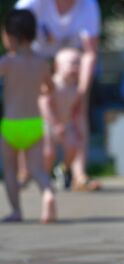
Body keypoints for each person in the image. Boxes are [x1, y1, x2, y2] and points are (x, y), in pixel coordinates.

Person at [15, 0, 101, 192]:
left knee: (79, 115)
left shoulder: (88, 6)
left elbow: (89, 53)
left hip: (70, 62)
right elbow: (16, 35)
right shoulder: (31, 3)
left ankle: (79, 174)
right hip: (36, 58)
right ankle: (24, 171)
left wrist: (81, 90)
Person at [0, 9, 56, 223]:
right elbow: (49, 88)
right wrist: (41, 91)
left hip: (11, 125)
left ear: (11, 36)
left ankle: (16, 211)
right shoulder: (41, 63)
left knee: (11, 172)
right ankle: (48, 193)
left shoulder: (7, 62)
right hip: (34, 123)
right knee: (36, 169)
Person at [42, 47, 83, 190]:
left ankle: (62, 169)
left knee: (73, 147)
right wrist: (55, 123)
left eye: (78, 64)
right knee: (49, 152)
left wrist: (76, 126)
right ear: (57, 66)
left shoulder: (75, 87)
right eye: (72, 64)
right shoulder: (52, 84)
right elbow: (44, 104)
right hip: (49, 124)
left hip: (66, 124)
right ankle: (45, 177)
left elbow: (75, 109)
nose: (76, 68)